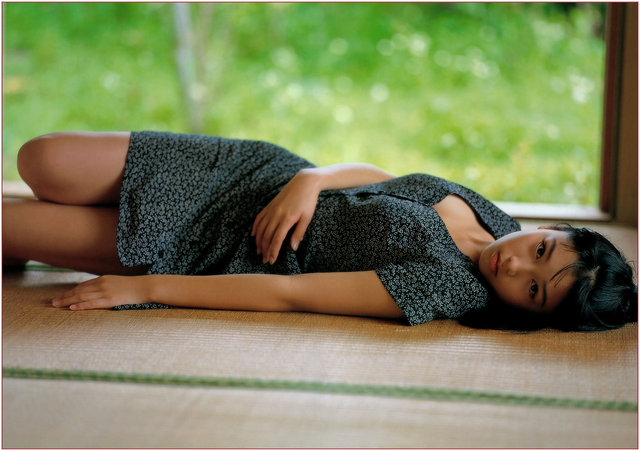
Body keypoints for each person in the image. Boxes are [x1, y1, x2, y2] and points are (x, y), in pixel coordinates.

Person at [3, 131, 636, 330]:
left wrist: (143, 289)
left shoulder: (450, 289)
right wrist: (311, 178)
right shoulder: (496, 220)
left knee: (9, 223)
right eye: (542, 249)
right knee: (41, 160)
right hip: (256, 175)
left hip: (218, 245)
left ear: (527, 312)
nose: (517, 266)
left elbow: (291, 294)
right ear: (550, 228)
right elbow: (385, 178)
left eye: (533, 290)